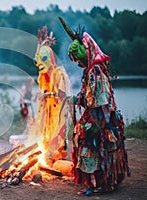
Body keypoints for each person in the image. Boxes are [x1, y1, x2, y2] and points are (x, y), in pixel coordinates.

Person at [59, 17, 131, 196]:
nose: (76, 63)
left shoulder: (95, 72)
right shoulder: (92, 70)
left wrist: (80, 104)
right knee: (94, 145)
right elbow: (88, 97)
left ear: (85, 53)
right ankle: (104, 181)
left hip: (99, 118)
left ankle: (97, 183)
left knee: (89, 145)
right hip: (98, 116)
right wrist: (74, 100)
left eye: (77, 59)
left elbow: (97, 101)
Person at [27, 26, 71, 166]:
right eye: (37, 61)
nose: (40, 64)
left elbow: (62, 95)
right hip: (48, 110)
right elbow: (42, 91)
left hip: (58, 110)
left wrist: (49, 94)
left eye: (43, 59)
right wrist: (44, 96)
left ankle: (58, 158)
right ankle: (48, 156)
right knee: (46, 132)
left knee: (57, 132)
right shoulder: (43, 76)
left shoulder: (59, 74)